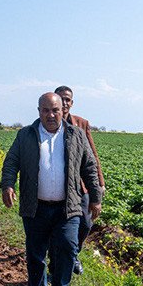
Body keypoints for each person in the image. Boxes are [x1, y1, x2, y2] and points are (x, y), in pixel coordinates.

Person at [0, 93, 102, 286]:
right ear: (39, 112)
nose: (51, 115)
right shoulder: (26, 135)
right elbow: (11, 162)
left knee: (67, 247)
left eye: (55, 110)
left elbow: (89, 167)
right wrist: (7, 185)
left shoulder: (75, 135)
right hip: (35, 207)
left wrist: (95, 198)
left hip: (68, 207)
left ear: (62, 110)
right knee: (36, 254)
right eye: (46, 110)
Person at [54, 85, 105, 275]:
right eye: (61, 99)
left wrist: (99, 184)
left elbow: (92, 157)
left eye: (68, 99)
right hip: (58, 185)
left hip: (80, 186)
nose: (65, 103)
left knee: (85, 223)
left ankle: (74, 254)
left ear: (72, 103)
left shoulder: (81, 124)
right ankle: (60, 259)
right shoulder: (48, 123)